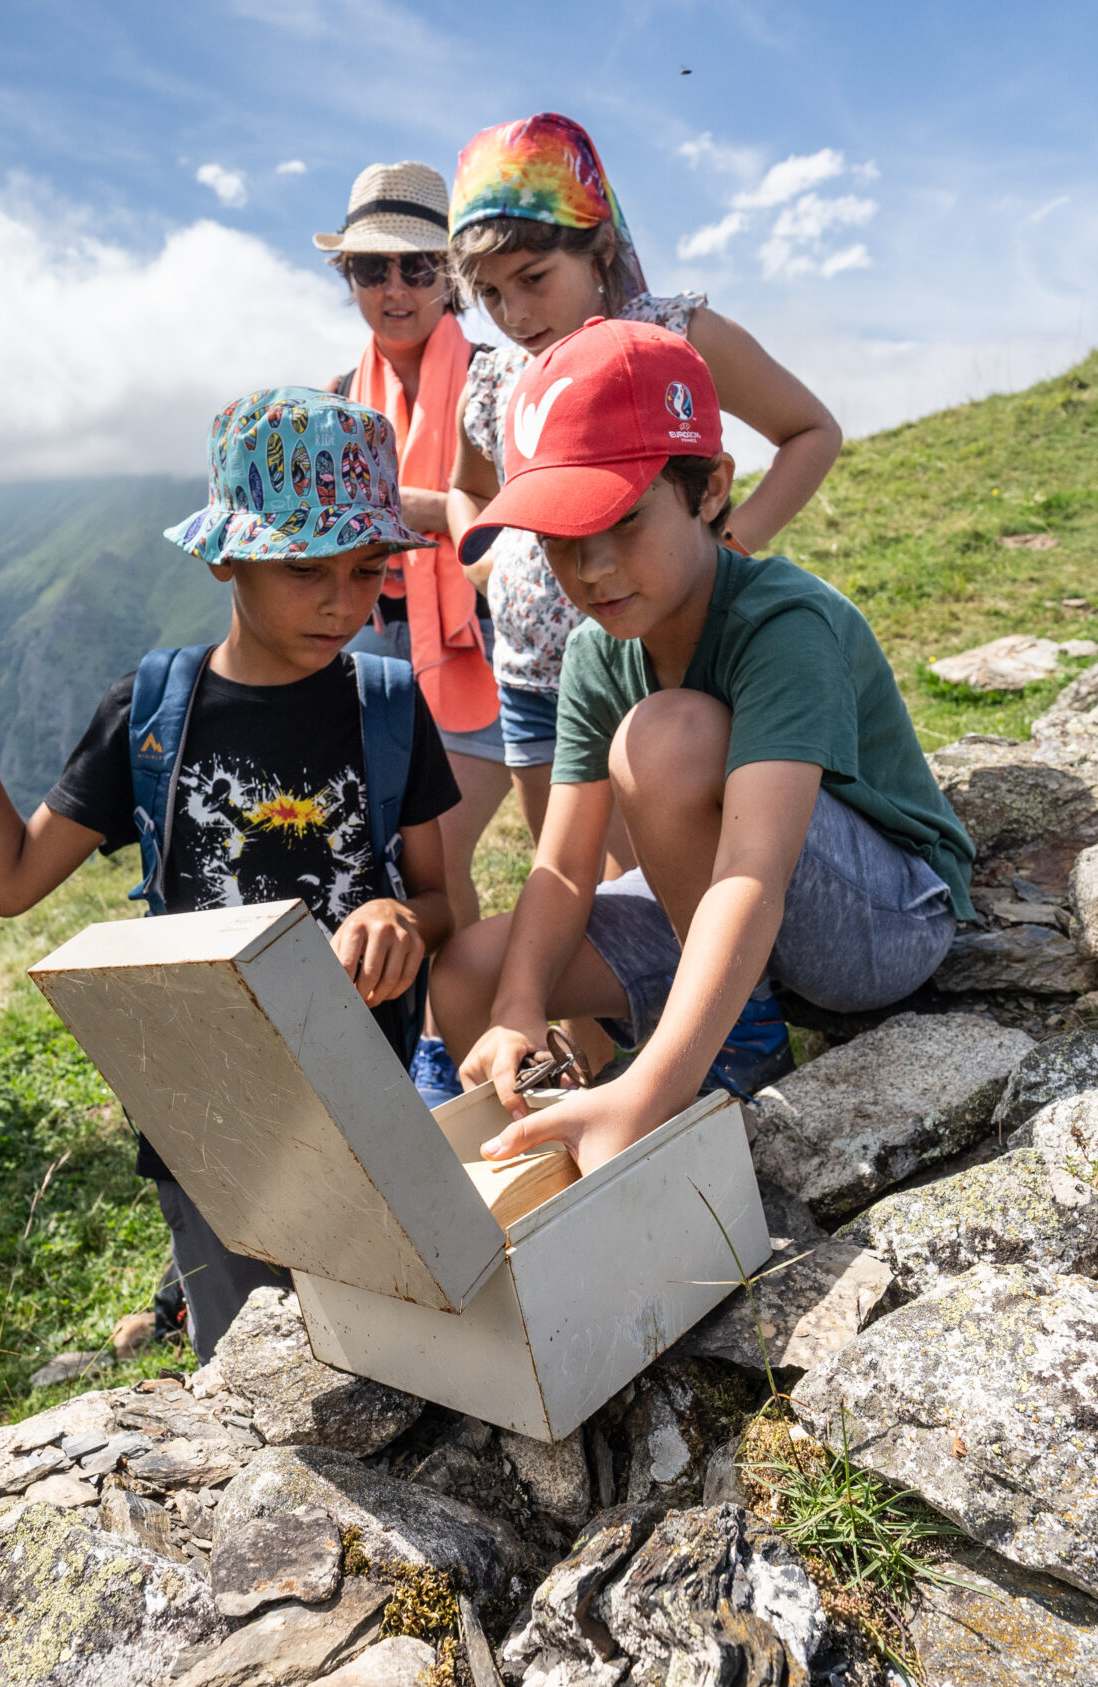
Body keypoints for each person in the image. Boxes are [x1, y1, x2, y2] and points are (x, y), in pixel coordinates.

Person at [0, 389, 461, 1360]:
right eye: (304, 567)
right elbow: (11, 878)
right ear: (224, 557)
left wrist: (406, 917)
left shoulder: (388, 704)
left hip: (369, 1096)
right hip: (209, 1120)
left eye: (366, 571)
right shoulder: (154, 712)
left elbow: (445, 900)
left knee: (392, 1345)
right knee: (255, 1366)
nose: (341, 601)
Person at [429, 319, 974, 1176]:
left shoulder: (784, 623)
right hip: (722, 904)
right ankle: (545, 1143)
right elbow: (565, 867)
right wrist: (519, 1004)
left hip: (882, 921)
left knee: (668, 737)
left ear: (711, 488)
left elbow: (754, 870)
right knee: (468, 972)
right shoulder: (593, 650)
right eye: (560, 535)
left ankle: (731, 1058)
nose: (593, 567)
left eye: (623, 520)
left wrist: (654, 1088)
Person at [436, 112, 844, 1094]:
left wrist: (727, 546)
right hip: (546, 673)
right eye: (489, 294)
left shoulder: (676, 337)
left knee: (667, 846)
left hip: (669, 659)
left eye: (535, 280)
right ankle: (606, 1062)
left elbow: (809, 429)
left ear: (600, 246)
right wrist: (480, 560)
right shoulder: (494, 380)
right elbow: (465, 486)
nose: (515, 312)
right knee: (583, 876)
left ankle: (723, 1043)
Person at [315, 162, 511, 936]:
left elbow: (519, 522)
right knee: (407, 858)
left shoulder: (497, 378)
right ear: (349, 275)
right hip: (374, 643)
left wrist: (412, 508)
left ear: (450, 274)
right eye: (370, 268)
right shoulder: (335, 396)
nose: (393, 290)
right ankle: (441, 1034)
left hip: (483, 636)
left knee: (431, 848)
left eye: (417, 266)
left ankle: (458, 1033)